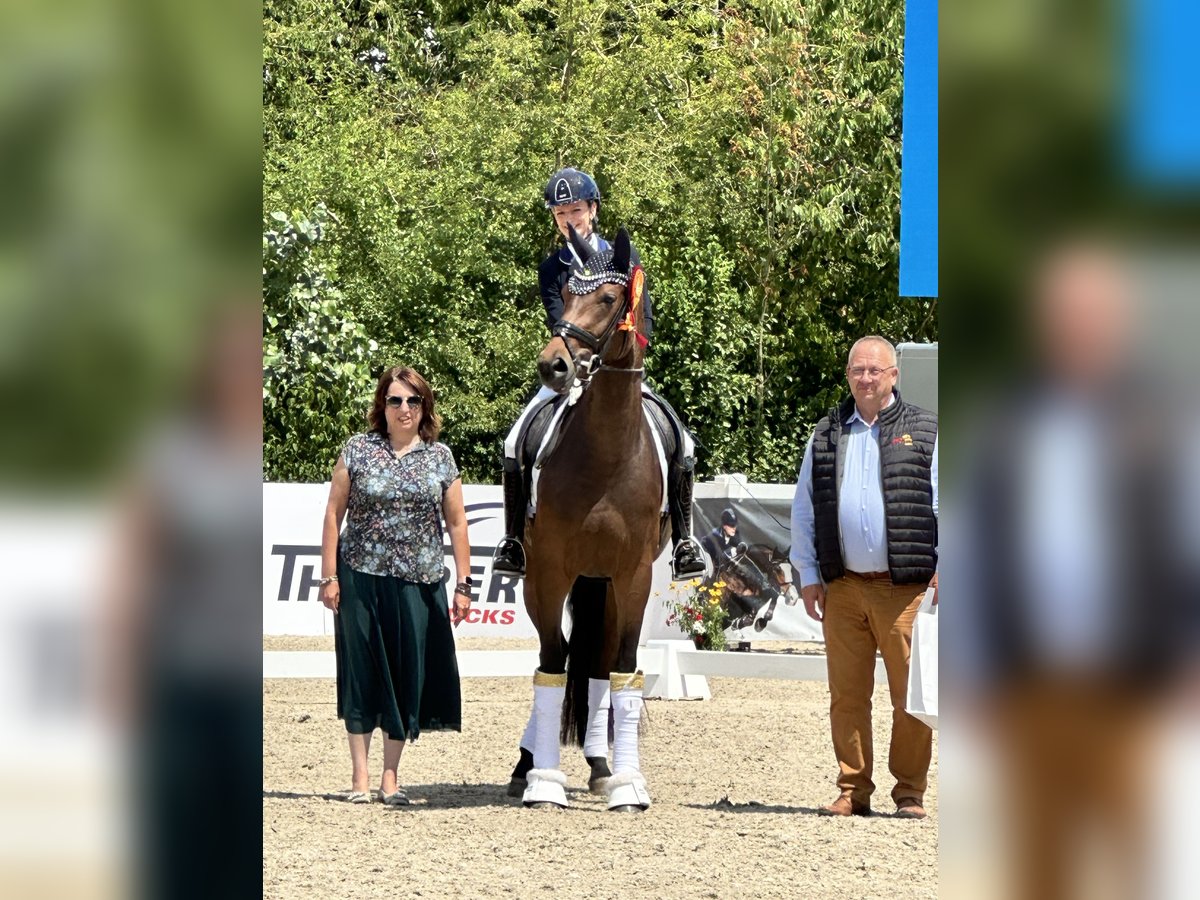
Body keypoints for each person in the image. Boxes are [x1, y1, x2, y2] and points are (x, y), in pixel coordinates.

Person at [490, 166, 706, 581]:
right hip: (571, 368)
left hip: (622, 369)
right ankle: (514, 540)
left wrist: (629, 354)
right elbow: (561, 322)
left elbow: (644, 316)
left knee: (684, 441)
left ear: (593, 209)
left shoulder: (623, 257)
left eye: (575, 210)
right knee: (515, 440)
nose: (569, 220)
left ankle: (683, 541)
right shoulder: (552, 268)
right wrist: (577, 365)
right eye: (560, 214)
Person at [790, 335, 938, 819]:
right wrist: (809, 573)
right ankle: (853, 788)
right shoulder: (827, 432)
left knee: (909, 697)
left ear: (895, 374)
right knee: (847, 695)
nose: (866, 378)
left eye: (876, 370)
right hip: (845, 585)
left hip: (906, 588)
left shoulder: (928, 429)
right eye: (858, 370)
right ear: (848, 375)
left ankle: (910, 791)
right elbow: (806, 509)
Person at [319, 366, 473, 805]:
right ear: (381, 406)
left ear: (424, 406)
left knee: (406, 674)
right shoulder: (358, 450)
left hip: (419, 581)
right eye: (395, 400)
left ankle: (391, 778)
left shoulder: (441, 457)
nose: (404, 408)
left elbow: (457, 523)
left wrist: (464, 584)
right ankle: (360, 779)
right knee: (361, 671)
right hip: (360, 575)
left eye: (413, 400)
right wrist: (329, 576)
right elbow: (334, 513)